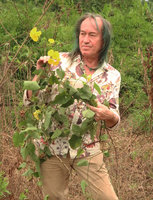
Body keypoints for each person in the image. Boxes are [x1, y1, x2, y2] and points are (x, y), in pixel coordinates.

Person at [24, 13, 121, 200]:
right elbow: (29, 99)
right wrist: (39, 74)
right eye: (82, 33)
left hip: (87, 147)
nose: (85, 39)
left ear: (104, 40)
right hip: (51, 148)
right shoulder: (59, 61)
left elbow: (114, 120)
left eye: (92, 35)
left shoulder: (112, 75)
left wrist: (108, 115)